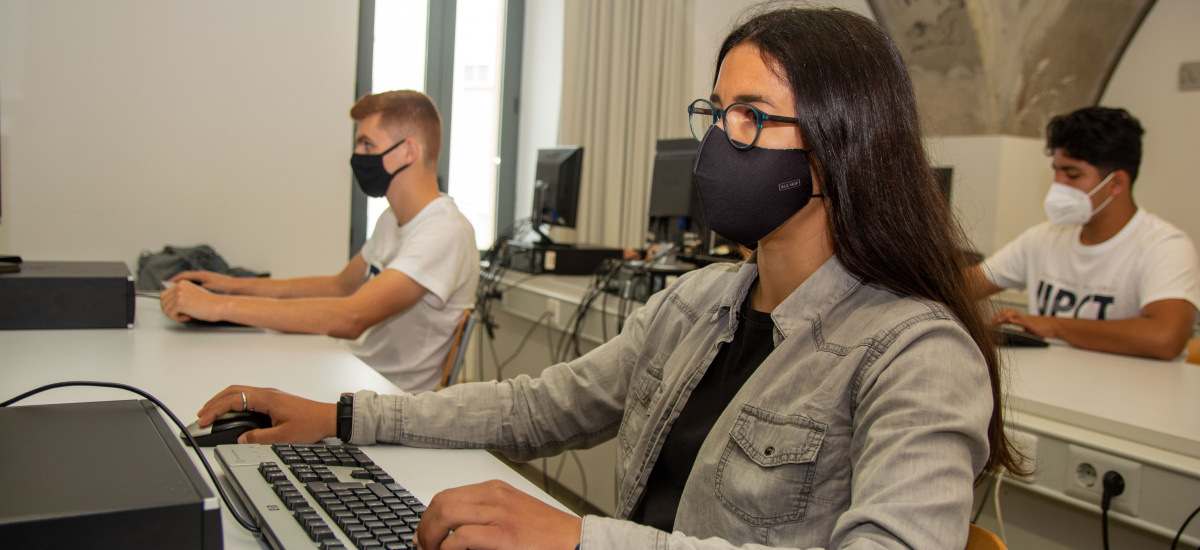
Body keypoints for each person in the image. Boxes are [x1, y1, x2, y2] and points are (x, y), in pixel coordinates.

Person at [196, 7, 1024, 549]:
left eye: (751, 119)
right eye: (716, 113)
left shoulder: (916, 353)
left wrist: (577, 539)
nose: (716, 143)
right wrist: (341, 418)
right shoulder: (701, 304)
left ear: (844, 145)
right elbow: (536, 406)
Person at [161, 90, 480, 392]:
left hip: (383, 398)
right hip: (349, 371)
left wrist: (218, 306)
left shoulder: (445, 233)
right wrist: (228, 285)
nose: (357, 156)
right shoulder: (393, 219)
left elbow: (351, 316)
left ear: (409, 151)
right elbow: (339, 287)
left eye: (368, 145)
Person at [969, 107, 1200, 360]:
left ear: (1116, 183)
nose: (1058, 184)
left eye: (1072, 174)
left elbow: (1165, 337)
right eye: (1055, 171)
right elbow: (966, 285)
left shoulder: (1164, 246)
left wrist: (1054, 325)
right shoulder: (1043, 238)